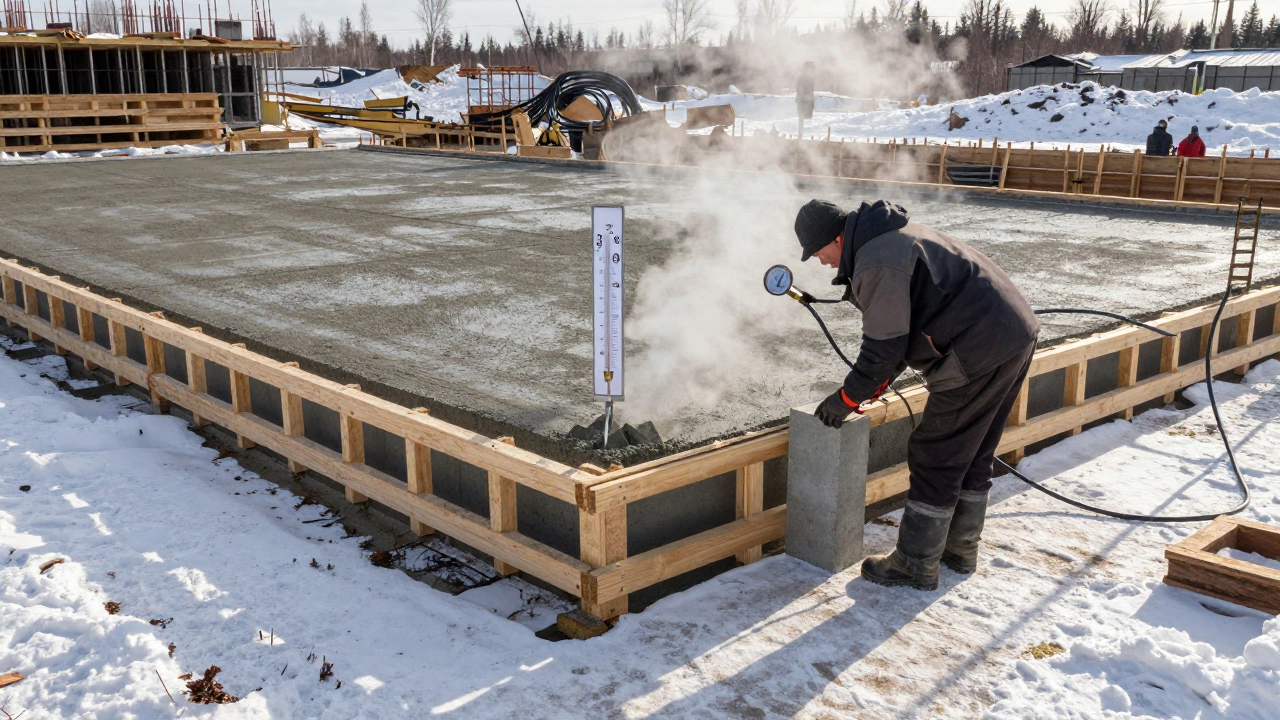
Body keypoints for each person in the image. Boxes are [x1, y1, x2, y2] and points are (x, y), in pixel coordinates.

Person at [793, 199, 1040, 591]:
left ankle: (914, 563)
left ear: (836, 238)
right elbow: (895, 343)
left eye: (819, 252)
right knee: (972, 450)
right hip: (1012, 334)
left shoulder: (877, 260)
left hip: (977, 349)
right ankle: (958, 550)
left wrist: (845, 400)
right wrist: (861, 392)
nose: (822, 262)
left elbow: (884, 350)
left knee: (935, 454)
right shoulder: (891, 236)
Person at [796, 62, 816, 136]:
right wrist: (806, 97)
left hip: (807, 102)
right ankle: (800, 137)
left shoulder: (811, 78)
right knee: (801, 119)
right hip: (803, 102)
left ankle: (801, 137)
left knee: (805, 121)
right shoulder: (802, 78)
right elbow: (800, 91)